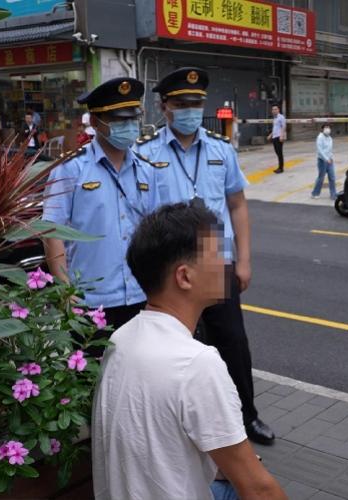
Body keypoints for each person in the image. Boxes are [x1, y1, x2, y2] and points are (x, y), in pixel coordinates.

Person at [92, 201, 287, 500]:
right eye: (218, 255)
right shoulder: (196, 364)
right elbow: (258, 490)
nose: (228, 263)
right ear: (184, 277)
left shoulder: (120, 339)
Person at [135, 67, 275, 446]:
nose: (191, 110)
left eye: (196, 104)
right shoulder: (145, 154)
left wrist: (243, 260)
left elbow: (238, 206)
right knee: (179, 350)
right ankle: (184, 426)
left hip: (217, 262)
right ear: (164, 107)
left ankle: (246, 417)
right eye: (182, 104)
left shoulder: (220, 149)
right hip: (171, 269)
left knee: (232, 343)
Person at [43, 77, 161, 355]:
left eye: (133, 118)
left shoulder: (147, 170)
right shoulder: (71, 169)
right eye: (118, 119)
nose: (128, 126)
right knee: (91, 386)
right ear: (95, 122)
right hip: (90, 303)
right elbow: (51, 232)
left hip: (142, 297)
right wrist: (66, 294)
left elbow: (157, 233)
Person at [312, 124, 336, 200]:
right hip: (322, 160)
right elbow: (320, 150)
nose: (327, 129)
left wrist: (331, 157)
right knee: (321, 177)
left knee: (332, 177)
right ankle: (315, 193)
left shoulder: (330, 138)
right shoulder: (320, 137)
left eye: (328, 128)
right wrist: (326, 159)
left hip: (330, 160)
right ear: (322, 129)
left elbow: (330, 149)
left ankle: (333, 194)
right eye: (326, 128)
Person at [267, 104, 286, 173]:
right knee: (277, 152)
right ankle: (280, 167)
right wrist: (270, 135)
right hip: (274, 137)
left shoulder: (281, 117)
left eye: (275, 109)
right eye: (273, 109)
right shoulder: (275, 118)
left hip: (279, 137)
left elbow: (283, 127)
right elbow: (275, 128)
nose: (274, 110)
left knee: (279, 153)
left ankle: (281, 168)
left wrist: (281, 136)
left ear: (278, 110)